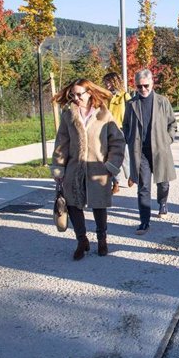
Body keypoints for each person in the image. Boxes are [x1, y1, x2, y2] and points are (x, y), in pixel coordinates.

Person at [50, 79, 126, 260]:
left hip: (98, 169)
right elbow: (62, 143)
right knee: (73, 204)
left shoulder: (103, 114)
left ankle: (102, 240)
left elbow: (118, 141)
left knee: (99, 206)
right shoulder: (68, 115)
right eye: (73, 95)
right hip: (74, 168)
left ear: (90, 92)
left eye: (79, 94)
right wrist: (59, 168)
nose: (76, 98)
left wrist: (111, 165)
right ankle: (81, 240)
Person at [122, 69, 177, 235]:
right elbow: (125, 126)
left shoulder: (162, 101)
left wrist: (168, 139)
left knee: (163, 182)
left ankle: (163, 203)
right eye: (139, 86)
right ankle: (144, 222)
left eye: (146, 85)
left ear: (152, 84)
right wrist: (130, 139)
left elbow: (172, 123)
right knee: (143, 187)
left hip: (160, 149)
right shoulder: (131, 104)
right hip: (141, 152)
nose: (143, 89)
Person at [102, 72, 132, 194]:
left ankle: (130, 175)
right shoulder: (105, 97)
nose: (106, 84)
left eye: (108, 81)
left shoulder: (125, 96)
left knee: (124, 155)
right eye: (105, 82)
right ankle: (116, 183)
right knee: (110, 156)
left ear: (115, 82)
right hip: (107, 129)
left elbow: (132, 113)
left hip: (121, 129)